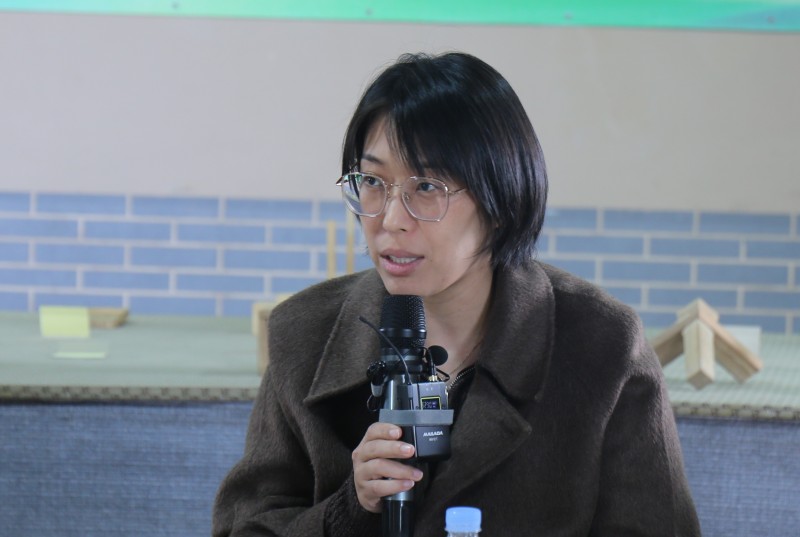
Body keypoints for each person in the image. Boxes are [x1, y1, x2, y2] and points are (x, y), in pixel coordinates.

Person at [212, 51, 701, 537]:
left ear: (501, 199)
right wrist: (349, 510)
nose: (391, 219)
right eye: (373, 182)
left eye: (427, 186)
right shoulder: (305, 335)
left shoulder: (602, 346)